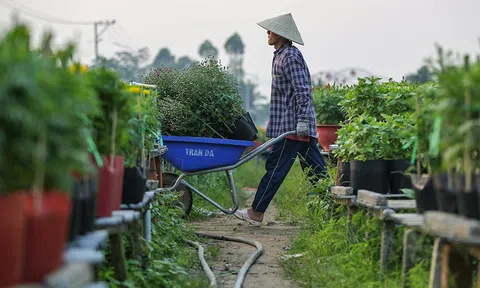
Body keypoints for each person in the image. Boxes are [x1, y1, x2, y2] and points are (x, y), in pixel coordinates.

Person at [234, 13, 327, 227]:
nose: (267, 33)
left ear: (281, 34)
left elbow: (302, 89)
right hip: (290, 126)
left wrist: (303, 121)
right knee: (317, 171)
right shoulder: (280, 55)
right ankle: (335, 208)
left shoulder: (291, 56)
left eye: (270, 30)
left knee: (275, 168)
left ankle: (256, 212)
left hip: (293, 127)